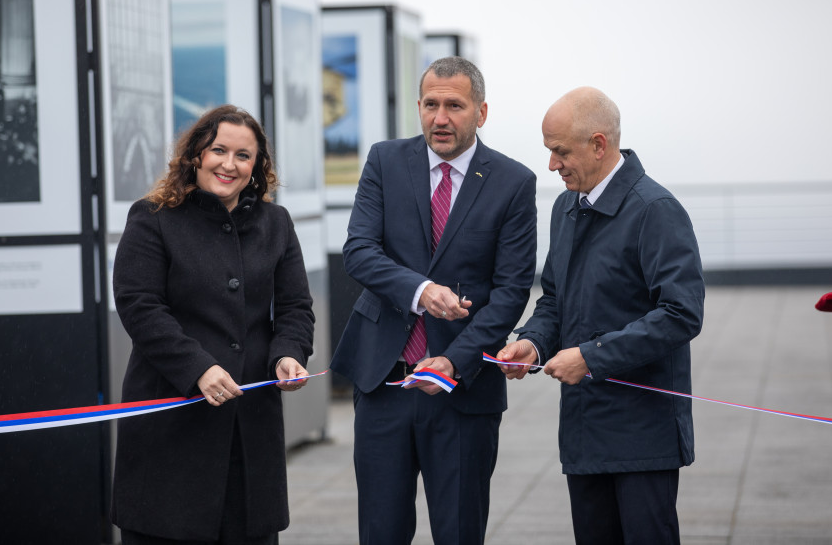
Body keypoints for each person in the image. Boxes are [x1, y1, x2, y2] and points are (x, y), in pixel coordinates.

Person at [330, 56, 538, 545]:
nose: (440, 118)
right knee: (380, 533)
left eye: (454, 106)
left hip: (463, 393)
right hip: (384, 384)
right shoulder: (385, 160)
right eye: (430, 104)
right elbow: (359, 251)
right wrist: (421, 291)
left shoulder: (514, 182)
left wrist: (455, 360)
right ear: (418, 107)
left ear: (481, 112)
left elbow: (511, 293)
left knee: (460, 532)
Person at [498, 87, 705, 544]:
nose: (552, 165)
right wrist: (531, 343)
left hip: (643, 436)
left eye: (560, 151)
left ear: (598, 144)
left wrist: (590, 358)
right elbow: (553, 299)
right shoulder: (565, 207)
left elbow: (681, 314)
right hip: (583, 430)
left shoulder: (656, 210)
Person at [111, 105, 315, 545]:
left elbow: (296, 307)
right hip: (170, 425)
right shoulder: (151, 218)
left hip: (249, 427)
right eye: (218, 150)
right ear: (195, 154)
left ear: (257, 166)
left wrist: (288, 354)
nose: (229, 164)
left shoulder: (275, 224)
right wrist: (198, 367)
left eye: (243, 155)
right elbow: (139, 306)